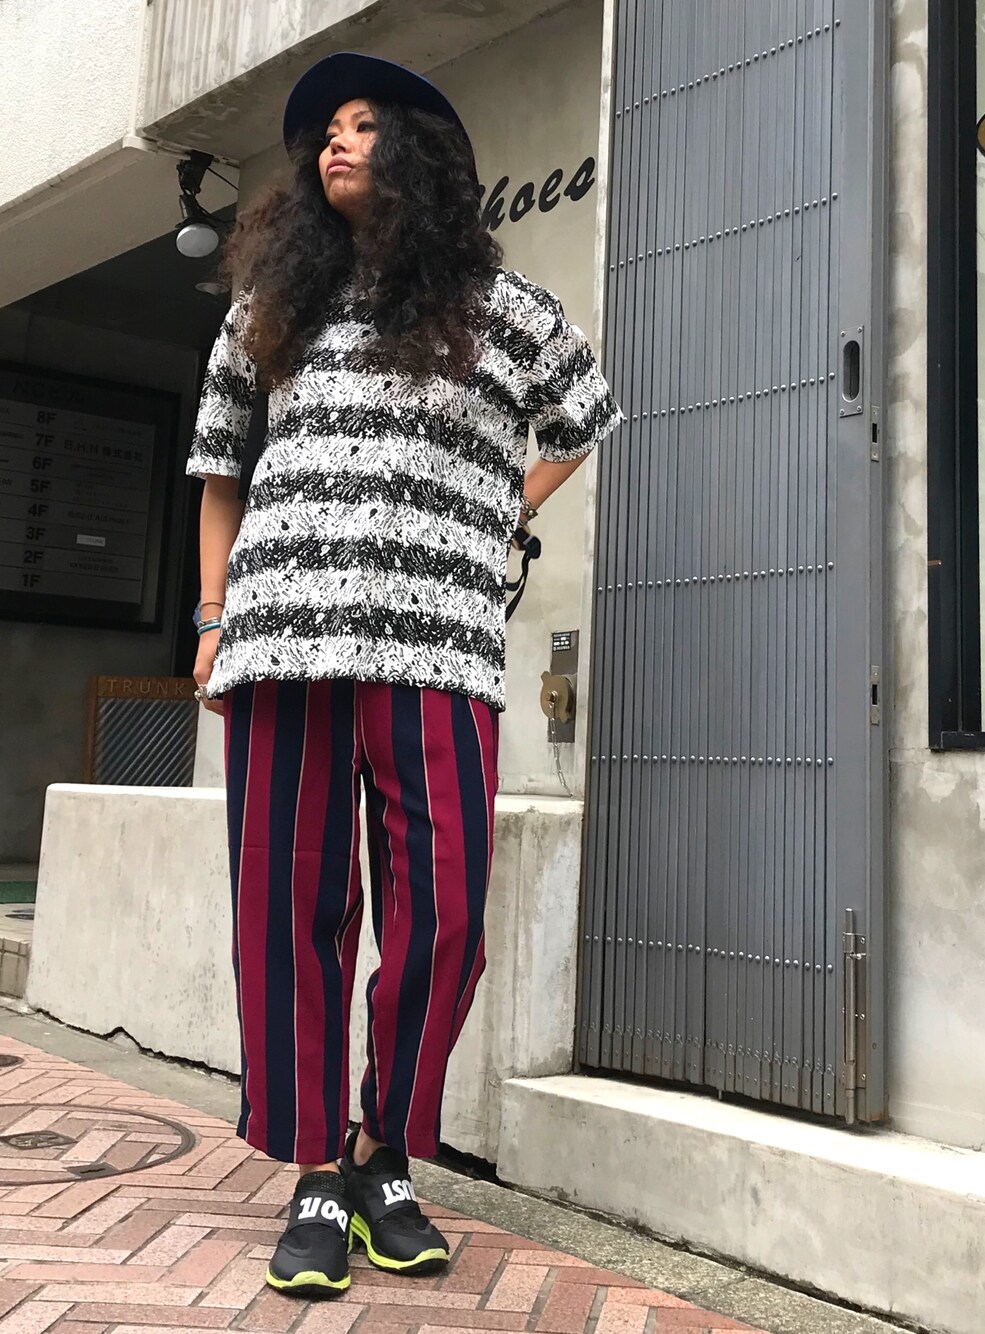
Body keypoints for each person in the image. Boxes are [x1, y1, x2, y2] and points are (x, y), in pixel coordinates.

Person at [187, 51, 622, 1300]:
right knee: (286, 905)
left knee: (444, 911)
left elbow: (586, 415)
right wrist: (212, 618)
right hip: (284, 641)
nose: (335, 141)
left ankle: (386, 1147)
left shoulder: (503, 308)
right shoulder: (272, 303)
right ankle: (319, 1170)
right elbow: (220, 463)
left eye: (364, 123)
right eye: (325, 129)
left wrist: (501, 514)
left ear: (419, 154)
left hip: (436, 645)